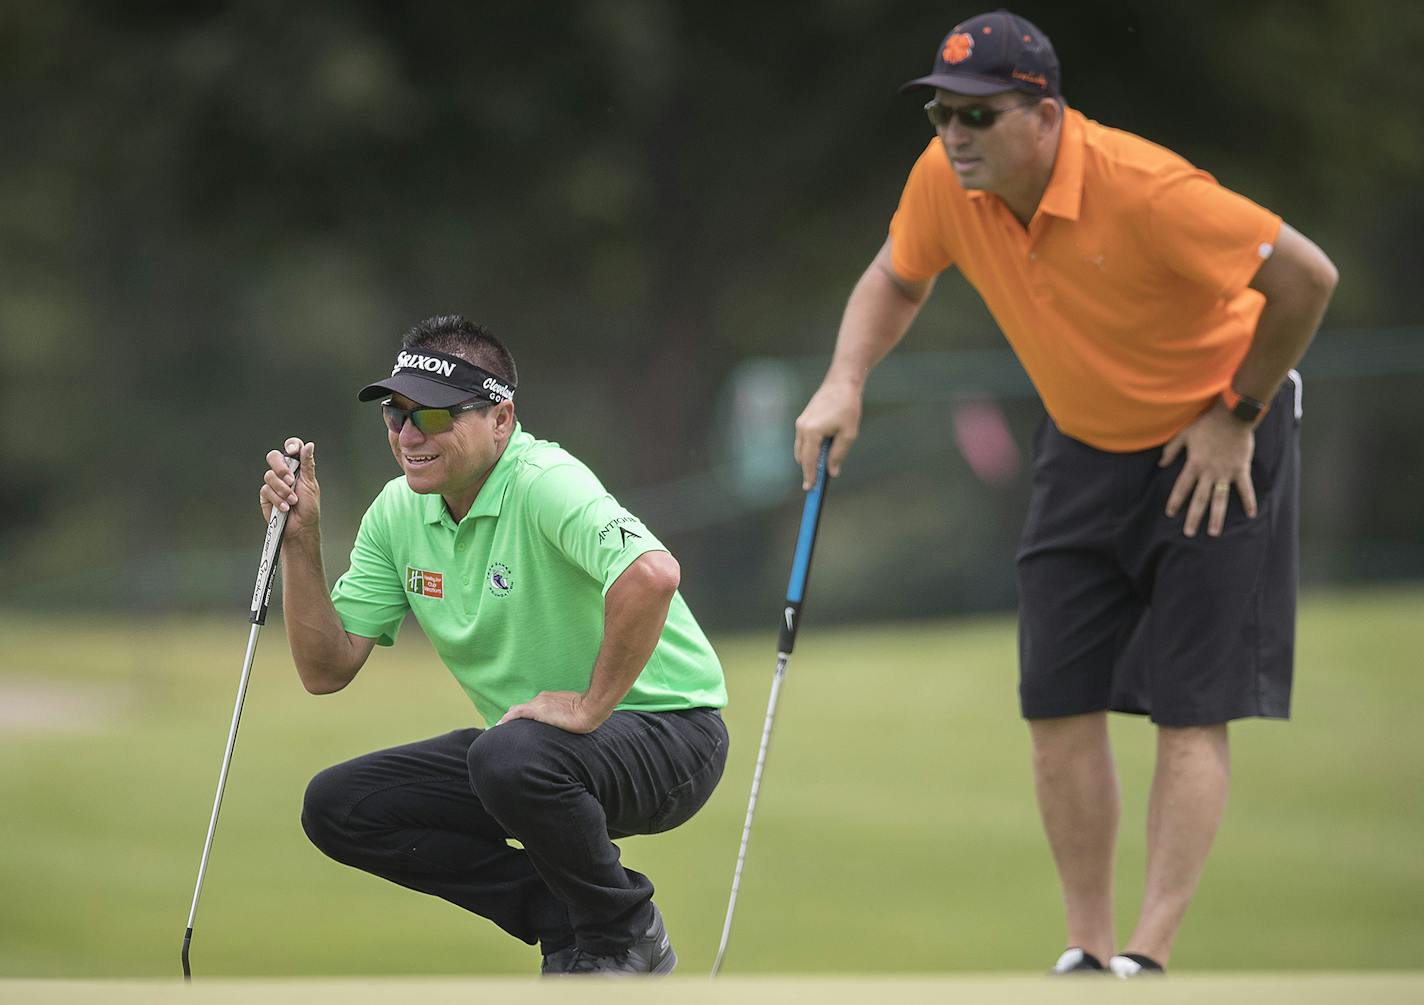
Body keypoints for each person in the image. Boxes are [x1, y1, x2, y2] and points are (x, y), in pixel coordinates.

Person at [792, 11, 1337, 978]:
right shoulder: (947, 184)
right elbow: (896, 277)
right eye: (940, 116)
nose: (954, 136)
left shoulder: (1148, 188)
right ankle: (1087, 951)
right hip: (1082, 442)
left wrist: (1236, 413)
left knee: (1190, 705)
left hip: (1217, 438)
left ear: (1044, 115)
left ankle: (1147, 956)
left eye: (978, 115)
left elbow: (1305, 276)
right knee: (1057, 700)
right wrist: (845, 378)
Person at [258, 314, 728, 975]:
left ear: (501, 419)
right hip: (531, 752)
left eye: (433, 416)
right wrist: (302, 544)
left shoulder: (544, 480)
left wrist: (592, 706)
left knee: (507, 755)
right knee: (340, 806)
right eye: (396, 414)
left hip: (672, 734)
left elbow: (651, 574)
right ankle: (568, 921)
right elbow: (326, 668)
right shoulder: (396, 512)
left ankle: (621, 933)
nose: (407, 435)